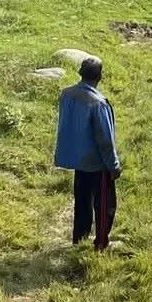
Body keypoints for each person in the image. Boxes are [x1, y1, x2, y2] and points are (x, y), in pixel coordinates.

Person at [53, 56, 121, 251]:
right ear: (100, 76)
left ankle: (79, 241)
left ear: (80, 74)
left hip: (77, 160)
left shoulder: (67, 94)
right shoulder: (98, 103)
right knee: (104, 206)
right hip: (97, 163)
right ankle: (101, 243)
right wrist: (113, 166)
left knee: (81, 203)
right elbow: (105, 140)